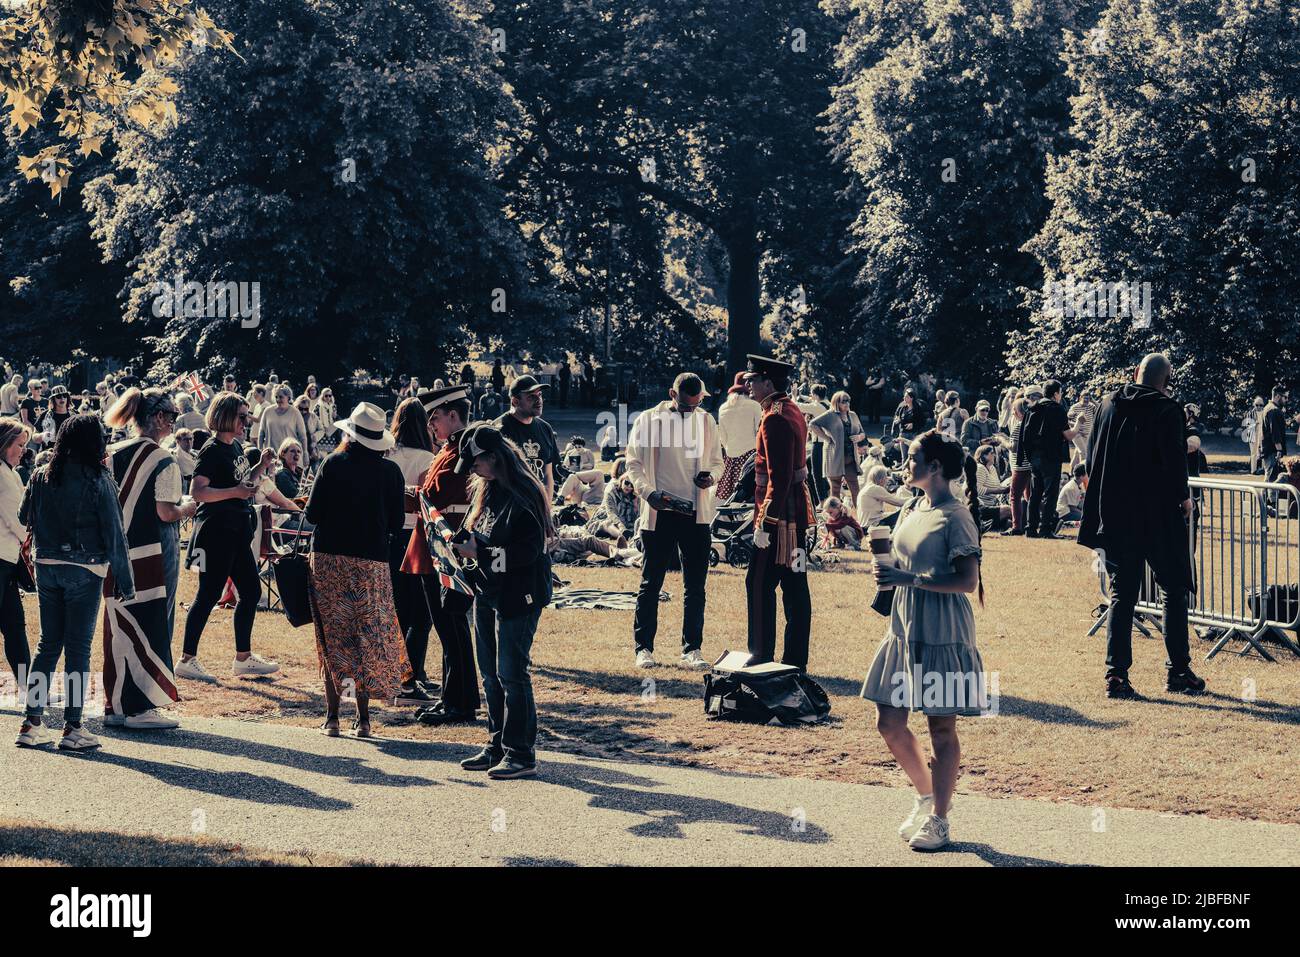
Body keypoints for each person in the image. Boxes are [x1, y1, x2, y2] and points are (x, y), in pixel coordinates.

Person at [862, 430, 987, 851]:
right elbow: (906, 557)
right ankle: (926, 795)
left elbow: (968, 582)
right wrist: (884, 561)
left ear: (934, 467)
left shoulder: (957, 515)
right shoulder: (915, 506)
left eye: (913, 456)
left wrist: (907, 578)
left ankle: (940, 819)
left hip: (943, 631)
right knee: (890, 721)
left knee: (941, 727)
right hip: (904, 625)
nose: (905, 460)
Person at [1079, 352, 1204, 700]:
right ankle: (1178, 670)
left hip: (1117, 514)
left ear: (1136, 373)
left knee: (1123, 593)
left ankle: (1116, 674)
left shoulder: (1107, 404)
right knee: (1174, 588)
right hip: (1157, 515)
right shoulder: (1167, 411)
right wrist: (1183, 498)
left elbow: (1093, 455)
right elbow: (1174, 459)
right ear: (1165, 381)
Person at [17, 415, 135, 751]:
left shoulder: (41, 474)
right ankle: (72, 727)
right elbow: (115, 533)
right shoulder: (99, 478)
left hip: (47, 564)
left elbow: (23, 516)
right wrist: (126, 581)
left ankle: (31, 722)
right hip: (85, 567)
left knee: (48, 643)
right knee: (78, 648)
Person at [451, 423, 554, 779]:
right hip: (488, 590)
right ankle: (496, 744)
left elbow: (526, 553)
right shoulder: (488, 489)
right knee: (491, 674)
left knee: (512, 672)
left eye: (476, 463)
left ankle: (521, 752)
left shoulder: (525, 494)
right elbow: (479, 537)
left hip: (519, 594)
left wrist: (480, 555)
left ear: (494, 458)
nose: (474, 470)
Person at [305, 403, 411, 738]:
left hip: (330, 559)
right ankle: (363, 720)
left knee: (333, 638)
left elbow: (312, 514)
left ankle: (332, 716)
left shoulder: (333, 463)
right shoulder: (391, 472)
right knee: (367, 636)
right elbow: (396, 522)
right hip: (372, 562)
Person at [101, 388, 196, 730]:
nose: (173, 422)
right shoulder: (164, 459)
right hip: (155, 549)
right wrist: (188, 507)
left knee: (118, 624)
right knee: (155, 618)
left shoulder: (112, 454)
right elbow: (166, 512)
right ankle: (143, 706)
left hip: (117, 549)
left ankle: (116, 704)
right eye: (171, 416)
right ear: (158, 418)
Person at [178, 392, 281, 682]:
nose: (246, 422)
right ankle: (187, 659)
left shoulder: (234, 445)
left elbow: (241, 482)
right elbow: (198, 492)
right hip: (216, 533)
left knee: (251, 592)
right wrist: (234, 493)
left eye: (247, 416)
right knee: (208, 594)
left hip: (236, 531)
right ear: (225, 417)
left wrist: (260, 467)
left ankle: (243, 658)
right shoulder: (211, 449)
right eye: (242, 416)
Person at [624, 372, 722, 670]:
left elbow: (718, 462)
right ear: (672, 394)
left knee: (696, 586)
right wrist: (648, 493)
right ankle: (644, 648)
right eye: (684, 406)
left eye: (695, 405)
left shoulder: (706, 421)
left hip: (696, 513)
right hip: (659, 511)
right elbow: (633, 463)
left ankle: (691, 649)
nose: (690, 411)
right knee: (651, 582)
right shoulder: (649, 420)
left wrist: (710, 478)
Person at [402, 386, 480, 725]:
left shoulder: (463, 451)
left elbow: (439, 500)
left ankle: (460, 703)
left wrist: (400, 492)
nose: (431, 426)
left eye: (435, 418)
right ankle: (454, 698)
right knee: (449, 629)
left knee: (452, 628)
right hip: (433, 548)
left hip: (444, 551)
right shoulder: (449, 449)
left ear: (452, 415)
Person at [744, 354, 814, 670]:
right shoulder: (791, 409)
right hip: (793, 513)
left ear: (768, 382)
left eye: (753, 379)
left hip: (780, 516)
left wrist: (765, 522)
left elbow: (779, 477)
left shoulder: (774, 417)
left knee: (758, 582)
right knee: (795, 585)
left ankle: (761, 654)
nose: (748, 384)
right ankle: (794, 659)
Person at [385, 398, 437, 706]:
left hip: (389, 534)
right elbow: (423, 500)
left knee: (400, 609)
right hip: (413, 534)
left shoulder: (388, 454)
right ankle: (411, 675)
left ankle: (403, 670)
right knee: (421, 613)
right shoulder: (425, 457)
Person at [1022, 380, 1077, 539]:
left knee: (1035, 494)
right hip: (1051, 457)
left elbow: (1025, 435)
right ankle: (1046, 529)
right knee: (1050, 494)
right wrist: (1079, 424)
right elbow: (1068, 435)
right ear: (1055, 394)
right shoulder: (1057, 409)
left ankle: (1030, 529)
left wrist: (1029, 456)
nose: (1061, 396)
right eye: (1060, 393)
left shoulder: (1033, 408)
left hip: (1035, 457)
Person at [0, 419, 31, 697]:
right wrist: (34, 542)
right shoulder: (2, 475)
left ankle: (28, 688)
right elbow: (17, 521)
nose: (23, 450)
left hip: (7, 561)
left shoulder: (11, 473)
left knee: (14, 625)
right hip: (2, 559)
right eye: (19, 444)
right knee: (13, 625)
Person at [495, 374, 560, 501]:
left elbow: (547, 475)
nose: (539, 400)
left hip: (537, 507)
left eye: (540, 395)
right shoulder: (499, 430)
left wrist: (546, 508)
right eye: (531, 397)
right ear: (515, 401)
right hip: (510, 509)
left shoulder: (545, 429)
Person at [811, 391, 866, 510]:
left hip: (851, 458)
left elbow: (862, 433)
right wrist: (826, 438)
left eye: (848, 401)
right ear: (836, 403)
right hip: (834, 457)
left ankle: (860, 516)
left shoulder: (853, 415)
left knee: (855, 487)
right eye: (843, 401)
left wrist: (859, 437)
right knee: (835, 489)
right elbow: (813, 424)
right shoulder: (830, 415)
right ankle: (835, 517)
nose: (847, 403)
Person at [716, 371, 762, 502]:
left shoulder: (723, 408)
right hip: (751, 457)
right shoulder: (754, 406)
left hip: (731, 457)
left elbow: (722, 437)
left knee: (730, 498)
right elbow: (758, 432)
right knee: (750, 496)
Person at [254, 385, 308, 457]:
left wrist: (305, 453)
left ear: (288, 397)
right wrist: (259, 449)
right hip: (270, 454)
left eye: (281, 397)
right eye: (276, 397)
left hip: (289, 455)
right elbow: (261, 433)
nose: (278, 399)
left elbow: (302, 436)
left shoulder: (295, 412)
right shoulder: (268, 411)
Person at [857, 463, 910, 529]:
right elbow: (898, 502)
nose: (887, 480)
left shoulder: (867, 488)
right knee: (903, 512)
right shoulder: (876, 488)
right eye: (886, 477)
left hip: (866, 524)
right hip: (872, 525)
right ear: (881, 479)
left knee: (896, 514)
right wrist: (915, 499)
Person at [1258, 386, 1288, 482]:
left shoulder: (1267, 408)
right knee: (1272, 479)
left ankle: (1262, 497)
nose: (1286, 400)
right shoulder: (1274, 410)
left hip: (1268, 449)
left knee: (1269, 477)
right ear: (1278, 396)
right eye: (1285, 397)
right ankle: (1265, 497)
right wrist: (1279, 450)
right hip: (1273, 451)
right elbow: (1275, 432)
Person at [1067, 389, 1096, 468]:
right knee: (1083, 452)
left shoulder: (1091, 406)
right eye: (1085, 398)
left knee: (1077, 454)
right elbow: (1067, 421)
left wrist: (1093, 401)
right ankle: (1083, 473)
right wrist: (1078, 426)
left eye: (1088, 398)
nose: (1086, 400)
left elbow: (1100, 408)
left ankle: (1071, 473)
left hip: (1087, 434)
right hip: (1077, 434)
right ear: (1080, 398)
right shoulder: (1074, 407)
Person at [1056, 462, 1087, 527]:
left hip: (1070, 510)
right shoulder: (1071, 488)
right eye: (1086, 474)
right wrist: (1083, 513)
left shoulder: (1078, 483)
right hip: (1065, 513)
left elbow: (1084, 496)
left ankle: (1070, 522)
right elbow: (1072, 507)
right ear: (1081, 477)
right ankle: (1065, 523)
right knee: (1086, 518)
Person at [19, 379, 45, 447]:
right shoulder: (26, 402)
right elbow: (25, 421)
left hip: (44, 432)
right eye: (36, 388)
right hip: (31, 432)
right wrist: (36, 431)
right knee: (33, 453)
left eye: (40, 387)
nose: (39, 389)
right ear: (30, 389)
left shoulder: (46, 401)